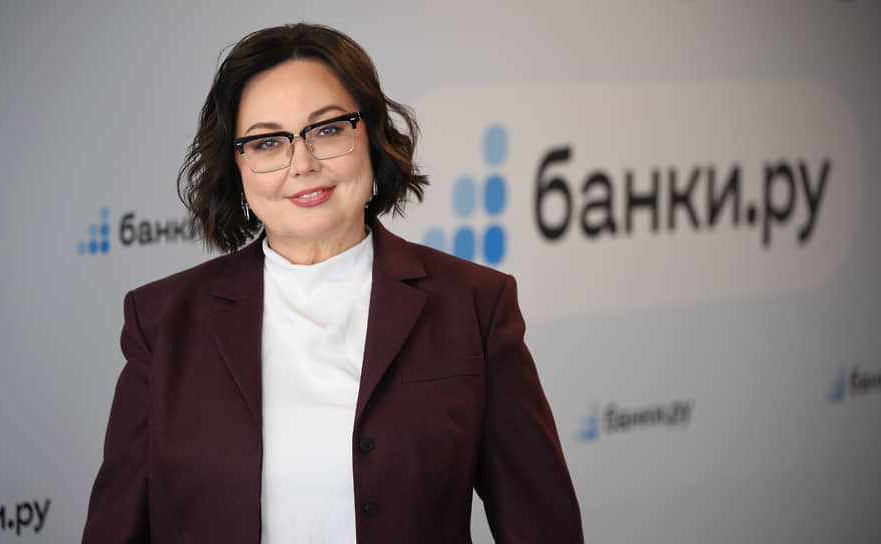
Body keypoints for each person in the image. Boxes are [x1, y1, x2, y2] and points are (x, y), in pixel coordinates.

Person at [82, 23, 582, 544]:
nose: (303, 164)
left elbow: (542, 525)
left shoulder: (474, 304)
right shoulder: (162, 321)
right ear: (237, 166)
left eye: (327, 130)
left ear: (371, 137)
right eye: (267, 142)